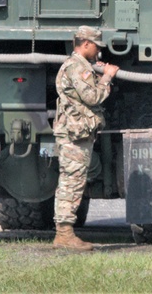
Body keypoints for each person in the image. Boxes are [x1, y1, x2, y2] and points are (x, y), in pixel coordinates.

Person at [52, 25, 119, 251]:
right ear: (86, 44)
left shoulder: (80, 66)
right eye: (96, 47)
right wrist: (107, 77)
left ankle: (65, 233)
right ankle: (64, 234)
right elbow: (92, 97)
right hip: (74, 135)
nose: (98, 52)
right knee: (72, 180)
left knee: (72, 179)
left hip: (75, 132)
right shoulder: (76, 67)